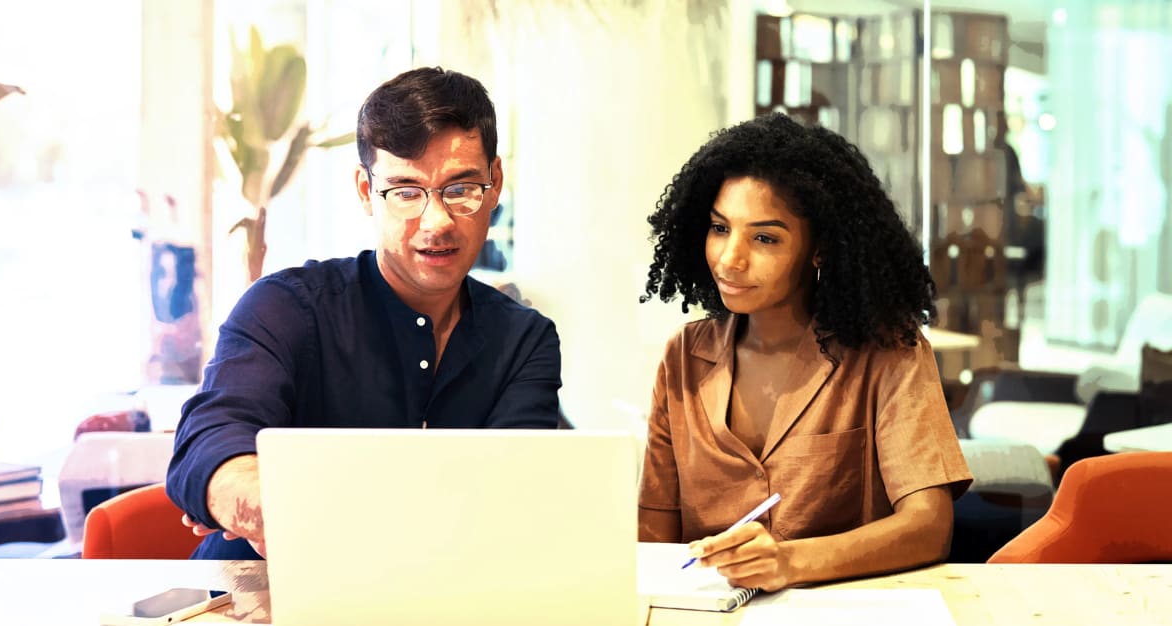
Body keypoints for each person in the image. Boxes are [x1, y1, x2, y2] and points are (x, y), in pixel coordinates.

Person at [167, 67, 562, 560]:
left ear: (495, 182)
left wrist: (320, 512)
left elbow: (513, 498)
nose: (436, 223)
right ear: (364, 191)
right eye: (405, 192)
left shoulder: (524, 340)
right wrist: (246, 496)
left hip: (444, 609)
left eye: (461, 189)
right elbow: (210, 442)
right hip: (257, 602)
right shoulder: (286, 307)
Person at [638, 113, 972, 592]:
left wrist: (790, 562)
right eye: (719, 228)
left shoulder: (887, 351)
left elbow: (929, 527)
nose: (731, 258)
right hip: (708, 623)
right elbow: (653, 537)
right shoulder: (684, 358)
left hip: (848, 623)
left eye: (765, 238)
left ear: (819, 249)